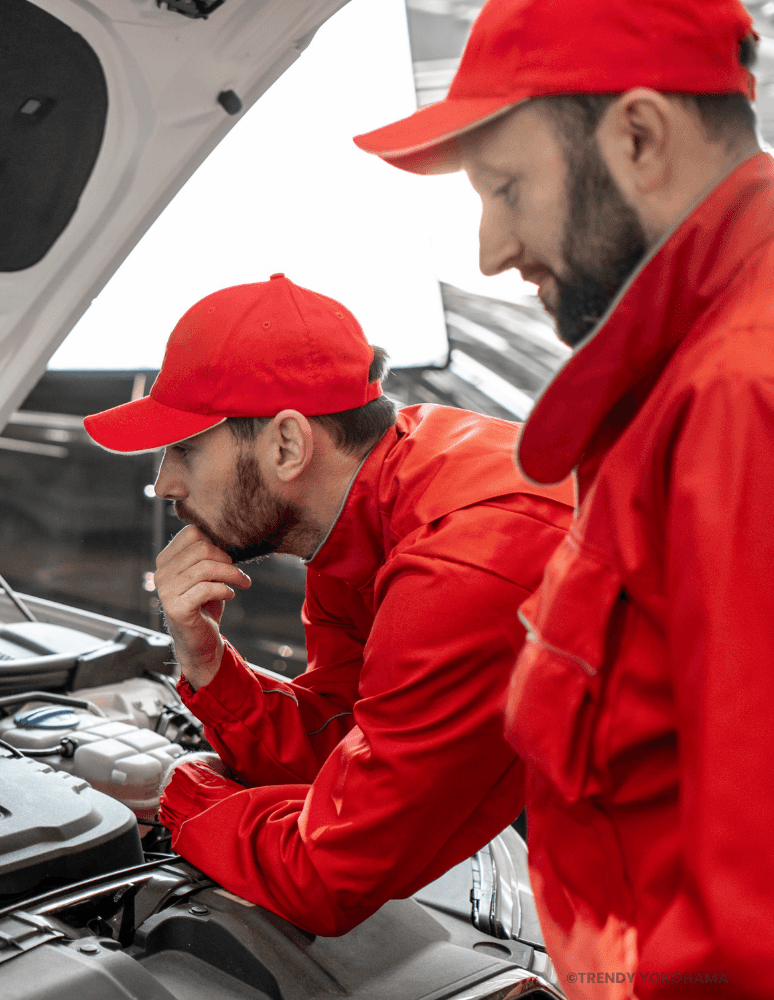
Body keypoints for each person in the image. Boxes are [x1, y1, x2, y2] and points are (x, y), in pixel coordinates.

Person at [354, 0, 774, 992]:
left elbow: (752, 926)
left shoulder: (739, 397)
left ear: (638, 136)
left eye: (505, 186)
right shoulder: (683, 378)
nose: (493, 249)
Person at [82, 274, 574, 935]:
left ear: (287, 444)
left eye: (187, 449)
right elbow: (346, 746)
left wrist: (177, 789)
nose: (164, 482)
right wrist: (206, 664)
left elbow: (331, 876)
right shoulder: (366, 519)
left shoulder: (466, 558)